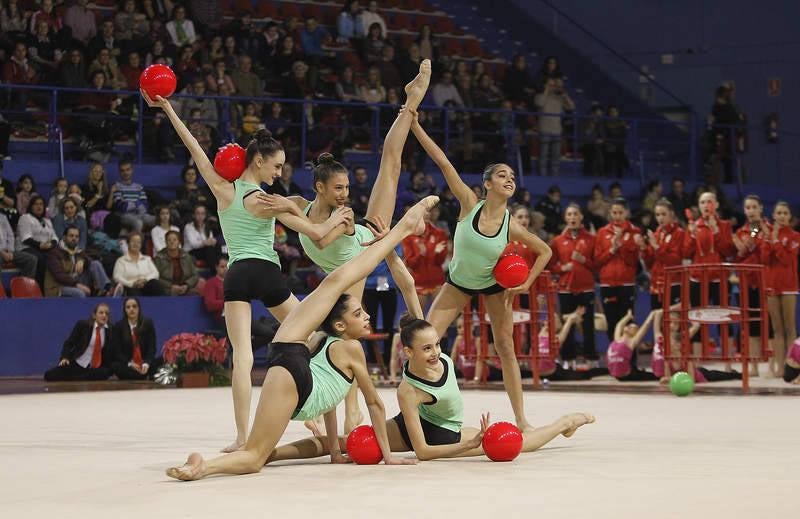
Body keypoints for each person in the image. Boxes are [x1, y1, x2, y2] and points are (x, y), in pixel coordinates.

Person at [164, 197, 437, 481]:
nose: (367, 316)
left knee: (255, 456)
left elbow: (331, 402)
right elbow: (376, 405)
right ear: (341, 325)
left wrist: (333, 449)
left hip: (290, 372)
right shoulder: (350, 346)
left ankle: (204, 466)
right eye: (359, 313)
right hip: (296, 371)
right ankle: (404, 226)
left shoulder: (331, 343)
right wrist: (389, 456)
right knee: (342, 278)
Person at [142, 88, 351, 453]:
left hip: (237, 273)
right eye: (275, 166)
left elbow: (193, 147)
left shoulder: (224, 191)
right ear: (257, 163)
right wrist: (340, 218)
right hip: (267, 273)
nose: (279, 172)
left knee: (243, 357)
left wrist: (166, 107)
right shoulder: (269, 201)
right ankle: (320, 414)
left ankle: (242, 437)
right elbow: (318, 234)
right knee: (315, 338)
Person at [282, 61, 432, 433]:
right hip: (350, 256)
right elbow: (287, 213)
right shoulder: (301, 205)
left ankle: (410, 102)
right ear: (319, 188)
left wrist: (374, 235)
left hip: (360, 254)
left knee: (390, 164)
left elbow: (322, 237)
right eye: (338, 189)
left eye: (347, 188)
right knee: (329, 335)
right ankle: (330, 405)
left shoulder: (346, 216)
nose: (346, 194)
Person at [266, 313, 594, 464]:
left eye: (437, 345)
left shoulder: (442, 357)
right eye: (426, 349)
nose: (435, 353)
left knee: (515, 442)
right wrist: (469, 447)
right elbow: (422, 451)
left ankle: (564, 424)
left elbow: (418, 319)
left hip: (441, 427)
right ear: (408, 353)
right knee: (340, 444)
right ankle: (272, 453)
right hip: (428, 435)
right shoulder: (408, 390)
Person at [410, 109, 553, 432]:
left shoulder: (511, 225)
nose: (509, 179)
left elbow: (545, 251)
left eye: (512, 177)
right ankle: (421, 410)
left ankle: (521, 420)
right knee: (426, 339)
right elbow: (444, 163)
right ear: (487, 183)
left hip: (494, 288)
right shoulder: (469, 203)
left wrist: (525, 284)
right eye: (502, 175)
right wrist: (416, 125)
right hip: (458, 283)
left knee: (505, 348)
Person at [550, 203, 597, 361]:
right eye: (569, 214)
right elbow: (551, 264)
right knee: (567, 325)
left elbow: (597, 264)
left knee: (588, 325)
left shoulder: (591, 239)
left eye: (575, 214)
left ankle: (591, 359)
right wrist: (563, 268)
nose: (572, 217)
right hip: (566, 289)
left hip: (586, 288)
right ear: (565, 218)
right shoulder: (558, 240)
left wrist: (584, 260)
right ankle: (568, 359)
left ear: (581, 217)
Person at [594, 197, 642, 341]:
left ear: (627, 212)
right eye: (614, 212)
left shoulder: (635, 232)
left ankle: (630, 360)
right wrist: (612, 249)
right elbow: (597, 261)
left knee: (628, 322)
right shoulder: (602, 232)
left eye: (620, 212)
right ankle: (614, 358)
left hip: (626, 284)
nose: (617, 216)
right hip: (607, 285)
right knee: (611, 322)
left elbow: (633, 262)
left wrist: (621, 247)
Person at [733, 194, 770, 376]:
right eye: (748, 208)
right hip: (748, 283)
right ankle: (754, 366)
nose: (751, 211)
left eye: (754, 207)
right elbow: (740, 254)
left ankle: (774, 366)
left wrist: (753, 241)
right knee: (751, 324)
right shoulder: (741, 232)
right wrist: (741, 247)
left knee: (770, 324)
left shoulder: (769, 229)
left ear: (761, 208)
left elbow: (759, 250)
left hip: (766, 281)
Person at [652, 308, 741, 384]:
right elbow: (658, 313)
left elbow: (696, 325)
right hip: (686, 374)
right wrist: (677, 307)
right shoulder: (660, 338)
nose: (672, 325)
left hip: (698, 374)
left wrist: (686, 314)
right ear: (663, 323)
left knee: (721, 375)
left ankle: (738, 375)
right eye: (670, 322)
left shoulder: (683, 337)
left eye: (676, 323)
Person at [765, 202, 800, 378]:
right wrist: (769, 240)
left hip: (788, 286)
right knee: (776, 329)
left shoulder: (796, 236)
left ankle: (792, 368)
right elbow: (764, 258)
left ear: (790, 217)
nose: (782, 216)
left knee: (790, 328)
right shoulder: (768, 236)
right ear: (773, 215)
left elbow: (786, 259)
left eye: (785, 213)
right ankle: (779, 367)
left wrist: (776, 240)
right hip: (771, 285)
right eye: (778, 212)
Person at [43, 303, 114, 381]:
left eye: (107, 313)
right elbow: (69, 343)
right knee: (49, 375)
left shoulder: (110, 330)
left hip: (95, 368)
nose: (104, 315)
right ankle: (80, 377)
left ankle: (81, 377)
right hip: (78, 363)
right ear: (94, 315)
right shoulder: (83, 325)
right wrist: (65, 357)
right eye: (101, 313)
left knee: (105, 373)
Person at [45, 225, 111, 297]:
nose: (74, 238)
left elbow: (90, 261)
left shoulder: (78, 251)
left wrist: (83, 261)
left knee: (95, 264)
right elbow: (59, 276)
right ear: (64, 238)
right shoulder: (54, 253)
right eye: (71, 236)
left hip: (75, 281)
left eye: (76, 236)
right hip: (59, 286)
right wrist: (77, 285)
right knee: (80, 293)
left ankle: (106, 290)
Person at [642, 198, 684, 310]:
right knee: (657, 323)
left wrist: (657, 247)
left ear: (672, 214)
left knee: (674, 323)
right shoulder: (656, 234)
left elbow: (675, 261)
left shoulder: (679, 233)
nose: (660, 218)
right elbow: (649, 264)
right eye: (657, 214)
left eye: (663, 214)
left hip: (672, 285)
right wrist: (643, 248)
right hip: (656, 286)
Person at [111, 297, 157, 380]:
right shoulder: (119, 326)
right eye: (128, 307)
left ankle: (142, 374)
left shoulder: (147, 323)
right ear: (124, 310)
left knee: (162, 360)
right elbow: (117, 352)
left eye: (134, 306)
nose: (131, 309)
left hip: (144, 363)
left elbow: (152, 347)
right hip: (129, 365)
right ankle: (144, 376)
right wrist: (130, 363)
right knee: (115, 366)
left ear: (139, 308)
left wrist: (146, 363)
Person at [16, 194, 57, 287]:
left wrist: (51, 244)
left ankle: (52, 288)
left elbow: (54, 237)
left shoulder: (47, 221)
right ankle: (38, 288)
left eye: (41, 204)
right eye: (36, 204)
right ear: (31, 206)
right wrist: (40, 245)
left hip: (44, 248)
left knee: (55, 257)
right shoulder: (25, 217)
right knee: (40, 259)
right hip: (27, 248)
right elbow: (25, 238)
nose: (39, 206)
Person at [606, 310, 659, 381]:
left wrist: (651, 315)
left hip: (627, 375)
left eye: (635, 328)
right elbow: (619, 324)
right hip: (621, 375)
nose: (630, 327)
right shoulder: (617, 339)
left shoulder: (631, 342)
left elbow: (646, 325)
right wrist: (628, 316)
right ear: (625, 328)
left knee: (655, 376)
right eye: (629, 326)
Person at [112, 231, 164, 296]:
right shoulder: (121, 261)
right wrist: (132, 284)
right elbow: (117, 277)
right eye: (133, 241)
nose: (135, 244)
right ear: (128, 243)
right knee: (133, 292)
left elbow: (155, 273)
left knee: (155, 284)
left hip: (146, 286)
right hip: (131, 288)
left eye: (138, 242)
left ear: (141, 245)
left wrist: (145, 280)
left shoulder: (147, 259)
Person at [154, 230, 199, 295]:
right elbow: (156, 277)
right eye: (169, 240)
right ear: (166, 242)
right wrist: (170, 286)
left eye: (174, 240)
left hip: (184, 287)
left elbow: (195, 275)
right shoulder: (159, 257)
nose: (172, 242)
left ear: (179, 242)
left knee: (200, 285)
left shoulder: (186, 256)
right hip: (167, 288)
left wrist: (187, 285)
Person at [0, 212, 37, 279]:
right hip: (1, 252)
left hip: (8, 251)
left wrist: (10, 250)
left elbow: (10, 235)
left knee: (31, 259)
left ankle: (25, 287)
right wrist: (1, 252)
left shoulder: (2, 217)